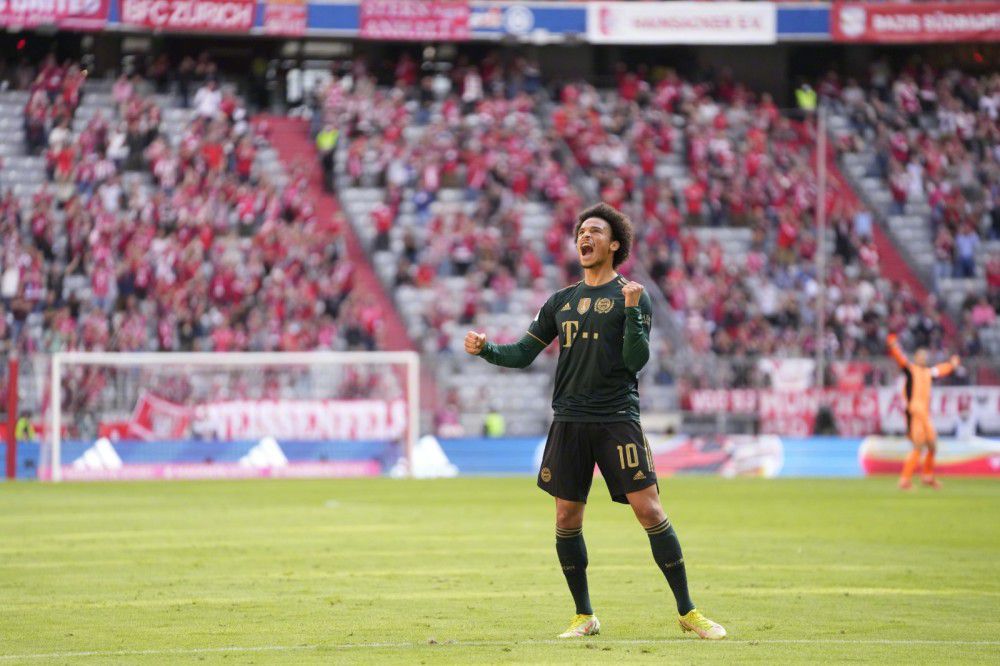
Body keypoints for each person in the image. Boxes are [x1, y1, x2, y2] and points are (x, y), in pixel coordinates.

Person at [464, 202, 726, 640]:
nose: (585, 237)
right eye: (581, 231)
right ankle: (584, 615)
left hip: (617, 418)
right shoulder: (560, 302)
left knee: (649, 509)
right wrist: (487, 348)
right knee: (566, 516)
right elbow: (523, 353)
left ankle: (688, 610)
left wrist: (631, 313)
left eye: (595, 231)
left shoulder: (631, 295)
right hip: (569, 420)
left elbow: (635, 360)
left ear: (614, 243)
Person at [886, 333, 960, 490]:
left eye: (925, 356)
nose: (923, 358)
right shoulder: (910, 370)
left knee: (932, 445)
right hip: (914, 413)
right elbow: (900, 359)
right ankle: (904, 480)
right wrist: (893, 346)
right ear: (915, 357)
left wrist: (952, 365)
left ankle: (927, 476)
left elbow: (941, 370)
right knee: (918, 445)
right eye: (920, 356)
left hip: (925, 414)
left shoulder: (928, 372)